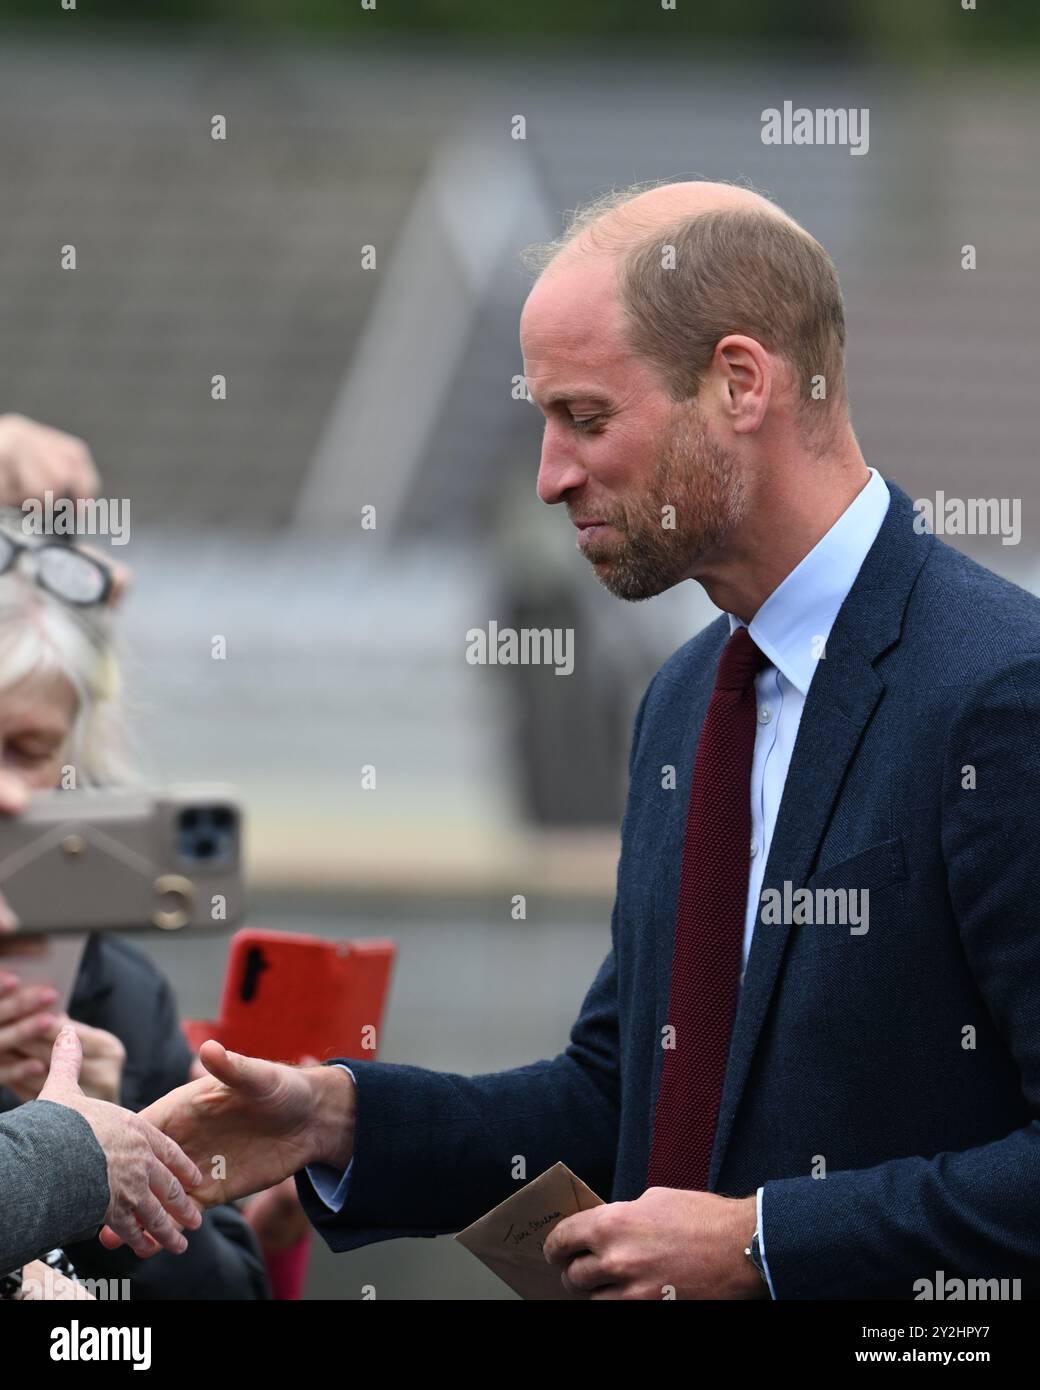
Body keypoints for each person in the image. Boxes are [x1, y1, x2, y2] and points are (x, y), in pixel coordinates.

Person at [131, 178, 1040, 1299]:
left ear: (739, 384)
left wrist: (759, 1244)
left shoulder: (1000, 692)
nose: (549, 476)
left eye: (585, 417)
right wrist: (333, 1116)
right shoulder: (684, 699)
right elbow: (624, 1101)